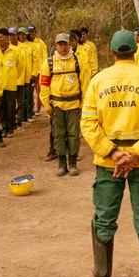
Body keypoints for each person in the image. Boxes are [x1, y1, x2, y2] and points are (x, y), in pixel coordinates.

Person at [82, 29, 139, 277]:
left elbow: (87, 123)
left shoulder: (99, 80)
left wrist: (113, 153)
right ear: (136, 49)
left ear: (111, 52)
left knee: (104, 217)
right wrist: (136, 153)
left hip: (109, 164)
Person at [40, 32, 91, 177]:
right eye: (60, 44)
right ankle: (62, 164)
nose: (63, 47)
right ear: (56, 45)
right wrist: (47, 106)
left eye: (65, 44)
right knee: (59, 135)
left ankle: (73, 163)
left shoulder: (78, 61)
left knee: (74, 135)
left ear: (69, 44)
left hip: (74, 104)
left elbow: (85, 84)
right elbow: (44, 85)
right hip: (56, 105)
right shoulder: (49, 63)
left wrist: (83, 105)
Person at [0, 28, 19, 138]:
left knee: (11, 107)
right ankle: (4, 127)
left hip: (11, 83)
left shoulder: (15, 51)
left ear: (7, 37)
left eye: (1, 37)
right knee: (1, 107)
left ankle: (11, 127)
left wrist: (16, 78)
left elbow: (20, 67)